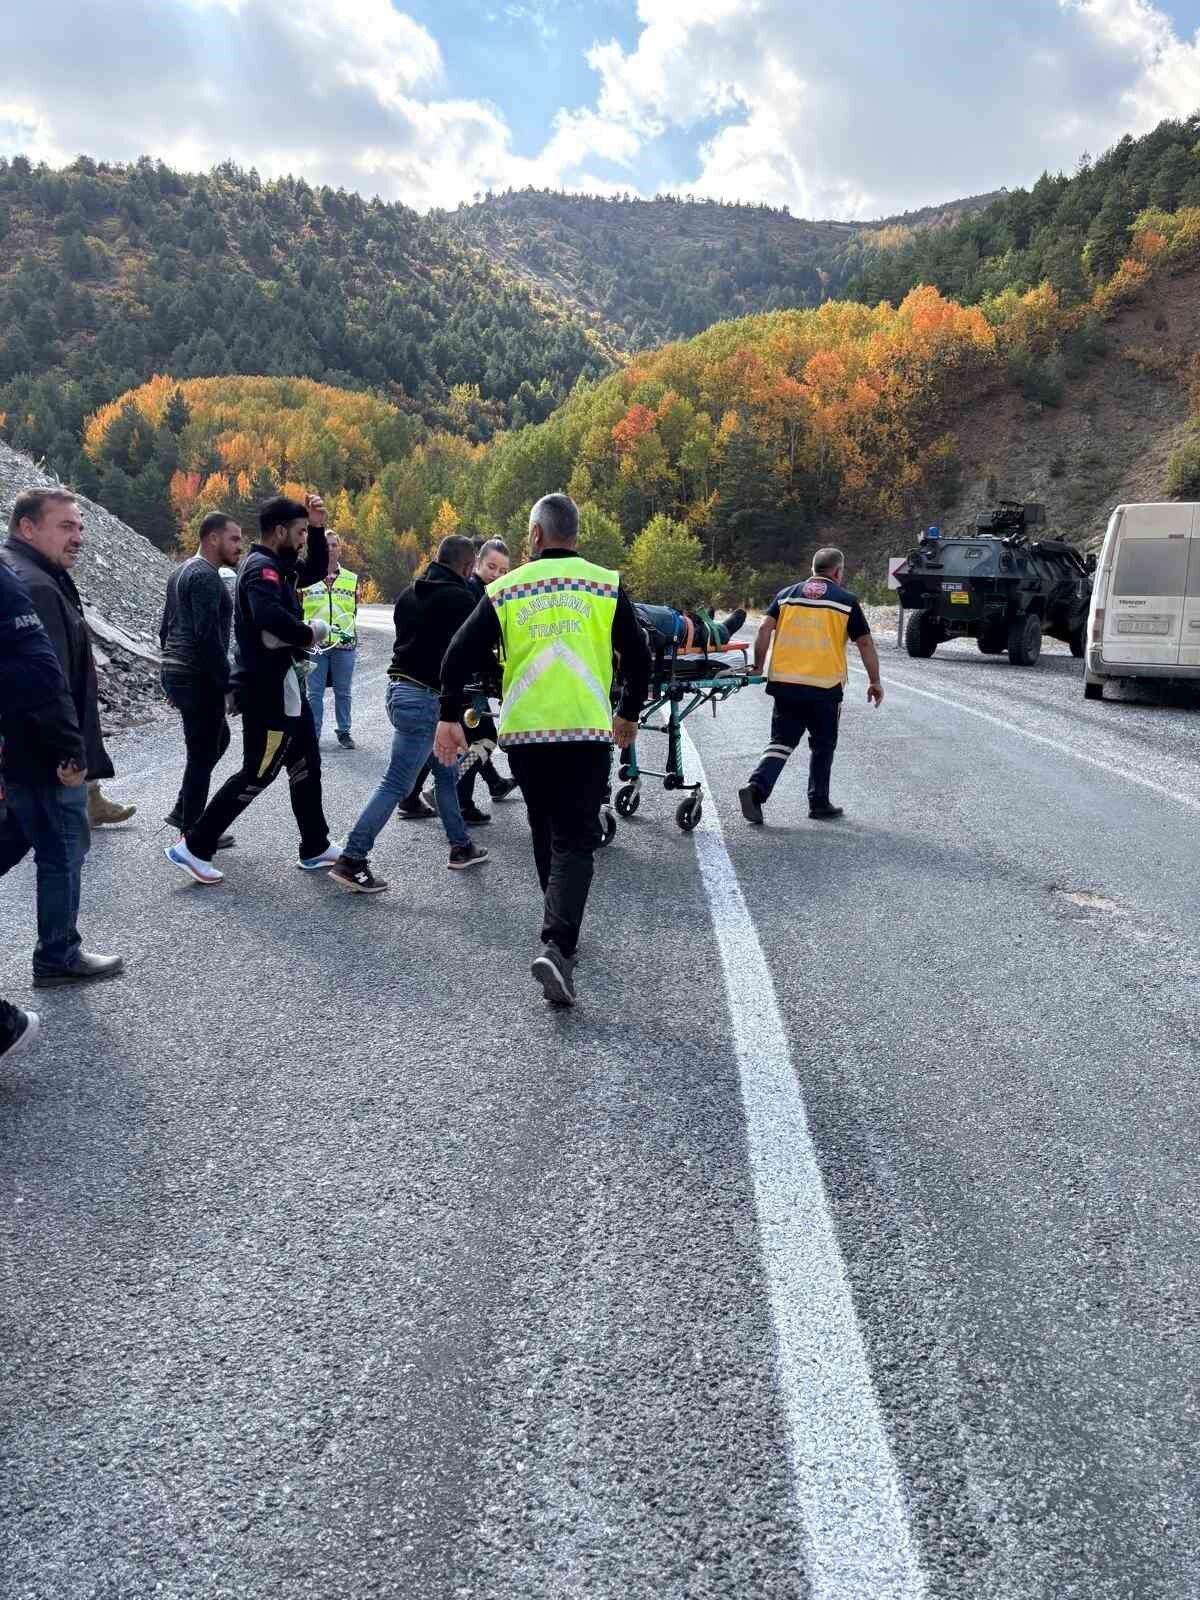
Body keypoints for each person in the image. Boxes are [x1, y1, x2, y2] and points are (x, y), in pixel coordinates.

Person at [435, 493, 650, 1007]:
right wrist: (629, 713)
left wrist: (448, 715)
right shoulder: (605, 584)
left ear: (534, 535)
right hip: (585, 732)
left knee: (544, 828)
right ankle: (558, 942)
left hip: (527, 736)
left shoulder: (504, 590)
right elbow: (640, 655)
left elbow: (456, 655)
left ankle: (555, 922)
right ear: (575, 535)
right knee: (576, 839)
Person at [165, 493, 341, 885]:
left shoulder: (277, 565)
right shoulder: (261, 569)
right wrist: (309, 632)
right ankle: (194, 845)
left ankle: (315, 846)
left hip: (287, 686)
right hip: (268, 690)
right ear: (279, 531)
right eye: (297, 533)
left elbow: (311, 569)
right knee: (257, 772)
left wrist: (314, 526)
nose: (301, 541)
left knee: (306, 765)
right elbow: (268, 618)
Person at [0, 490, 123, 986]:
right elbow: (43, 681)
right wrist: (69, 751)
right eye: (65, 526)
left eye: (80, 526)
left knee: (20, 839)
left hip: (23, 750)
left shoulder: (31, 575)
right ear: (27, 528)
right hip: (43, 755)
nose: (79, 537)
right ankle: (58, 955)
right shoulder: (35, 586)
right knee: (64, 850)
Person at [328, 535, 487, 892]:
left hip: (400, 691)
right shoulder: (460, 599)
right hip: (425, 700)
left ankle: (460, 847)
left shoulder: (409, 593)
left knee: (445, 775)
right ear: (465, 567)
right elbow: (467, 653)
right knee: (395, 783)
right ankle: (352, 859)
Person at [738, 547, 883, 827]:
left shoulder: (786, 595)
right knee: (823, 745)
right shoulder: (846, 601)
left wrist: (758, 666)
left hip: (785, 683)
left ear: (813, 568)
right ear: (838, 572)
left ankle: (756, 789)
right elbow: (864, 643)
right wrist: (874, 681)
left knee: (781, 742)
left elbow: (764, 630)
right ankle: (818, 802)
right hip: (824, 687)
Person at [159, 510, 244, 843]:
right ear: (213, 538)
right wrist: (229, 687)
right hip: (196, 675)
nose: (239, 546)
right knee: (203, 751)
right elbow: (207, 639)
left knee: (215, 742)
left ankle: (185, 815)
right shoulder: (207, 577)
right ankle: (191, 833)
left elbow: (165, 628)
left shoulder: (179, 572)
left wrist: (170, 673)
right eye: (234, 539)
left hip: (181, 672)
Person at [456, 537, 519, 824]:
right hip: (468, 680)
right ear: (478, 563)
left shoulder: (491, 592)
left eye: (503, 571)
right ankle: (460, 800)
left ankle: (460, 793)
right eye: (491, 567)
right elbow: (474, 643)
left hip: (475, 678)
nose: (497, 574)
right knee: (482, 739)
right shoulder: (473, 592)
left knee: (475, 741)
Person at [301, 530, 360, 748]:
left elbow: (354, 611)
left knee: (343, 691)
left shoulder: (352, 579)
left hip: (344, 645)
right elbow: (298, 610)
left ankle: (344, 732)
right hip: (315, 645)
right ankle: (312, 734)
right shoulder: (306, 578)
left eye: (334, 545)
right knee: (314, 693)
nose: (331, 549)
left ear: (340, 548)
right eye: (326, 545)